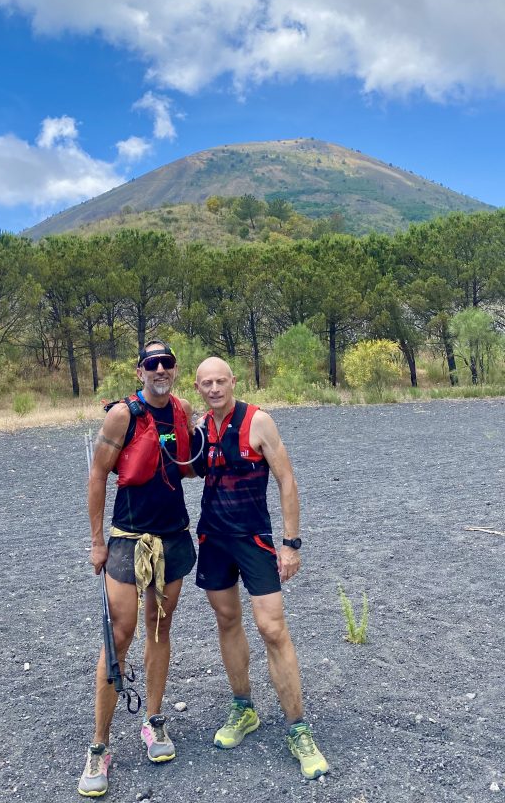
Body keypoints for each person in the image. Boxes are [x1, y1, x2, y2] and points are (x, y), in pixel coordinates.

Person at [192, 356, 329, 781]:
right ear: (198, 388)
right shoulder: (200, 428)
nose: (214, 388)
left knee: (272, 627)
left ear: (233, 381)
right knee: (227, 620)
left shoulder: (258, 422)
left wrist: (291, 544)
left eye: (220, 381)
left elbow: (287, 479)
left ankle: (298, 728)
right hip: (213, 539)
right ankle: (243, 709)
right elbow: (181, 468)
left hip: (253, 539)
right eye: (206, 383)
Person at [78, 341, 197, 798]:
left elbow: (190, 464)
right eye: (153, 364)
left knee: (160, 628)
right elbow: (97, 477)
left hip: (173, 536)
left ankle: (154, 720)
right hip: (128, 540)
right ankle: (100, 745)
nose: (161, 370)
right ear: (140, 370)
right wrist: (95, 543)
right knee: (119, 635)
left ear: (174, 370)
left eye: (167, 363)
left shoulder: (182, 411)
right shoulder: (122, 416)